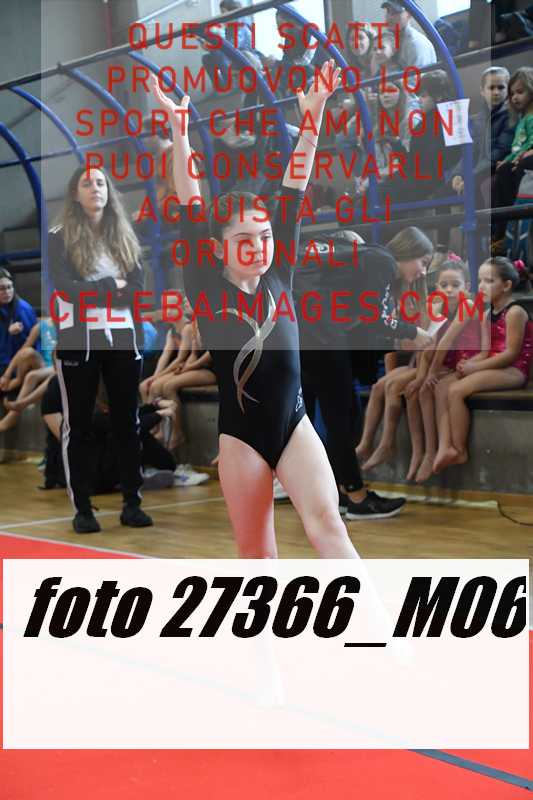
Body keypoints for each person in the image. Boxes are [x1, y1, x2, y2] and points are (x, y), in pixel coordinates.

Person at [149, 62, 364, 558]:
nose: (260, 246)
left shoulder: (279, 269)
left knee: (329, 526)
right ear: (217, 248)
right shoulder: (205, 284)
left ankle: (371, 611)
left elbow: (296, 182)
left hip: (294, 425)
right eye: (244, 239)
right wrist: (179, 132)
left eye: (265, 236)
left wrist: (314, 115)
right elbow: (190, 197)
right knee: (258, 556)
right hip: (242, 439)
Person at [295, 227, 434, 519]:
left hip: (311, 336)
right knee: (341, 419)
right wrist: (414, 332)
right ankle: (356, 496)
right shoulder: (382, 261)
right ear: (407, 252)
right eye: (423, 262)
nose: (423, 272)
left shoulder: (370, 261)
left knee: (343, 416)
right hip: (320, 338)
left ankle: (342, 492)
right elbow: (375, 318)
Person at [48, 166, 153, 533]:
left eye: (100, 182)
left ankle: (132, 502)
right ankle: (83, 508)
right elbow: (66, 289)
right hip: (79, 339)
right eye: (86, 183)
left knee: (128, 422)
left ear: (109, 191)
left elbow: (137, 289)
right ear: (75, 194)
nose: (95, 188)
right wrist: (111, 286)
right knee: (78, 425)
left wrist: (98, 291)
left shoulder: (125, 235)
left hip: (123, 338)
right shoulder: (59, 237)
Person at [433, 257, 532, 470]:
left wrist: (475, 367)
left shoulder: (515, 312)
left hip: (514, 370)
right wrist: (469, 363)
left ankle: (459, 450)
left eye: (489, 281)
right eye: (480, 280)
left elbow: (511, 354)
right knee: (442, 386)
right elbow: (486, 351)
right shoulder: (487, 313)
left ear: (506, 285)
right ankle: (445, 445)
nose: (481, 286)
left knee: (456, 390)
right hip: (493, 366)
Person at [402, 258, 482, 481]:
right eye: (444, 285)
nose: (449, 290)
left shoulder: (468, 304)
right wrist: (423, 375)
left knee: (434, 388)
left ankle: (439, 449)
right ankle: (424, 452)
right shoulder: (438, 307)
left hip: (471, 362)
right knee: (417, 391)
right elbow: (429, 345)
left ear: (467, 286)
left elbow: (446, 341)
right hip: (451, 362)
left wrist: (431, 374)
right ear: (436, 286)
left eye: (455, 285)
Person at [451, 66, 514, 207]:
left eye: (501, 87)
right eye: (491, 88)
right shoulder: (477, 120)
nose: (496, 92)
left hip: (498, 168)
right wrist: (458, 174)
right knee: (445, 190)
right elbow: (471, 151)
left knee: (482, 186)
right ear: (482, 91)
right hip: (481, 170)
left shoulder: (511, 116)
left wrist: (471, 176)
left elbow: (500, 151)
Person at [492, 67, 533, 248]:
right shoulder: (522, 119)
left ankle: (512, 224)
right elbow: (518, 146)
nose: (515, 97)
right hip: (520, 158)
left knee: (512, 169)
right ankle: (501, 230)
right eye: (512, 94)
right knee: (503, 170)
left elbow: (529, 144)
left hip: (527, 161)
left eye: (520, 92)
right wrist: (509, 159)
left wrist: (520, 156)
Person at [0, 318, 56, 434]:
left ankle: (13, 414)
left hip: (59, 367)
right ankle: (18, 381)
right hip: (44, 366)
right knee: (27, 352)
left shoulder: (70, 327)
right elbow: (22, 351)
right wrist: (7, 375)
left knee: (31, 376)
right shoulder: (41, 326)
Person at [0, 268, 37, 386]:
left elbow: (30, 347)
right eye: (1, 288)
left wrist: (13, 335)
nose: (7, 292)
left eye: (9, 287)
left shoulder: (23, 309)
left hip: (16, 364)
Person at [381, 1, 436, 69]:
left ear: (409, 15)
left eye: (395, 12)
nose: (389, 17)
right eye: (388, 11)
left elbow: (418, 75)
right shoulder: (390, 41)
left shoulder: (415, 43)